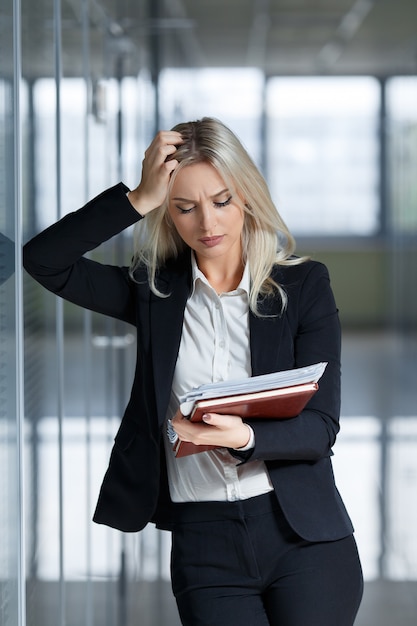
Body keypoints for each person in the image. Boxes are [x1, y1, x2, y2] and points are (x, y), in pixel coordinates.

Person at [23, 117, 363, 625]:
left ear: (246, 195)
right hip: (205, 542)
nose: (207, 223)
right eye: (184, 207)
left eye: (221, 201)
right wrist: (137, 197)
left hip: (302, 536)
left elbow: (320, 428)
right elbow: (44, 260)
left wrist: (243, 436)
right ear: (168, 213)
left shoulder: (304, 286)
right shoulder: (153, 290)